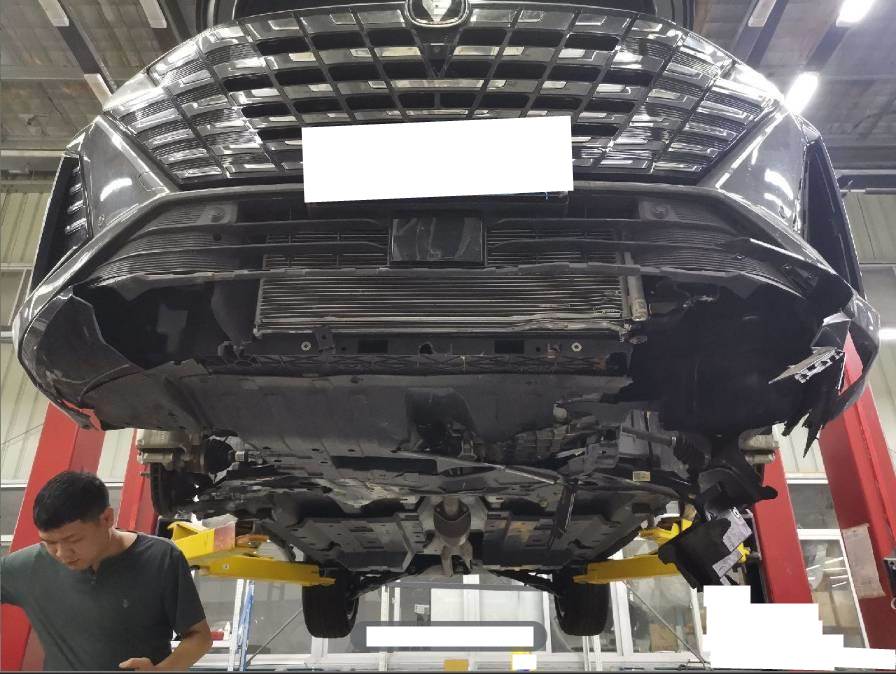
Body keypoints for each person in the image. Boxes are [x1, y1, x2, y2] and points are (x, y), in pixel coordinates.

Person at [1, 471, 213, 670]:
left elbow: (199, 637)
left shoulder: (160, 558)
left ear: (107, 518)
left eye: (73, 539)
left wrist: (162, 671)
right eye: (50, 542)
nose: (62, 553)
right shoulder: (29, 567)